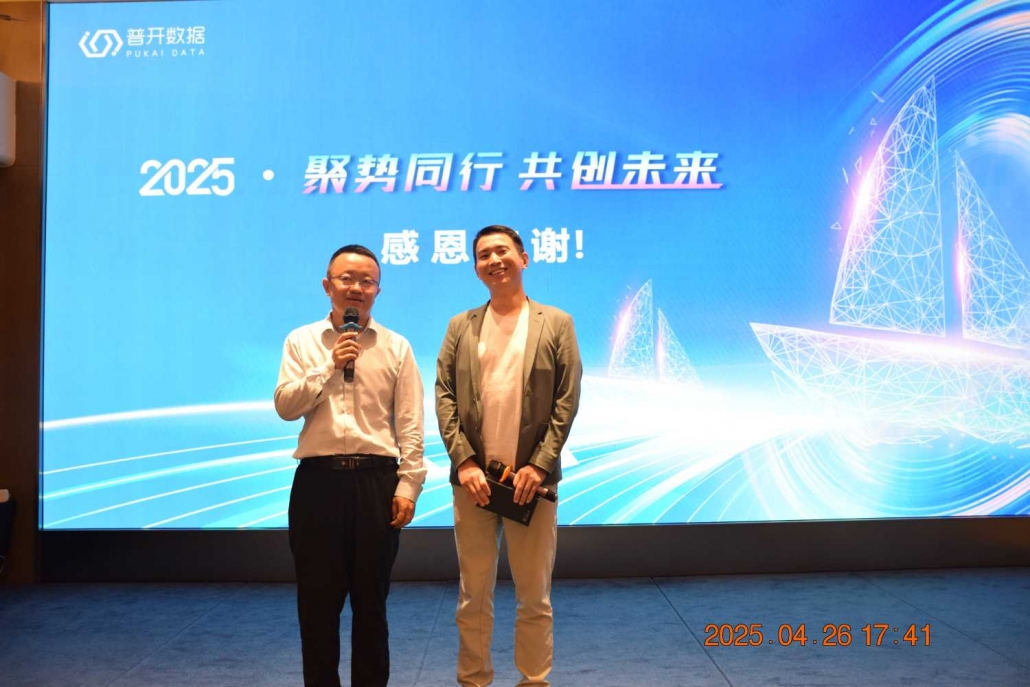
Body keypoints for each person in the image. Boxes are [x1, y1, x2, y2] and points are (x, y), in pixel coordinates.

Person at [436, 225, 582, 687]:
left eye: (502, 251)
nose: (494, 260)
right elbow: (444, 396)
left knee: (534, 596)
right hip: (475, 483)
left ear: (524, 258)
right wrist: (464, 463)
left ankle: (534, 680)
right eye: (483, 255)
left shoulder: (556, 322)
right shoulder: (460, 326)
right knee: (472, 595)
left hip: (531, 484)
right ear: (476, 268)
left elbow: (566, 400)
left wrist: (539, 465)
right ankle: (474, 679)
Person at [274, 244, 425, 687]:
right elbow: (285, 407)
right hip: (317, 485)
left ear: (378, 290)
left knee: (371, 605)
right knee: (316, 606)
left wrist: (409, 486)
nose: (356, 287)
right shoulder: (301, 341)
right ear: (328, 285)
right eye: (347, 278)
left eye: (367, 281)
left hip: (377, 482)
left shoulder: (396, 347)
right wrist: (329, 365)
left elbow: (410, 423)